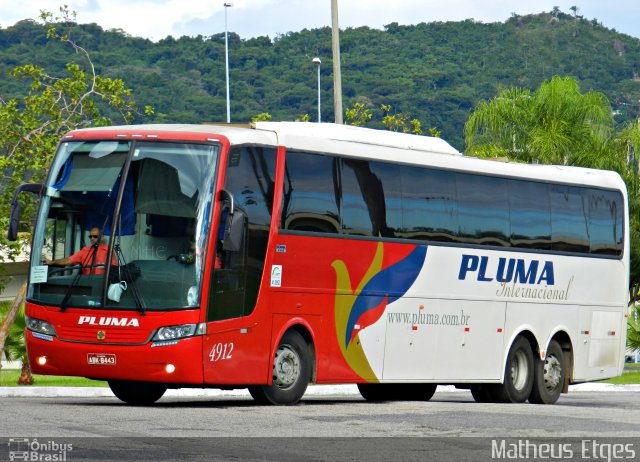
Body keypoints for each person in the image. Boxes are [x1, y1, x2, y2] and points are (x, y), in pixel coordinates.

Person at [43, 227, 114, 275]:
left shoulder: (108, 250)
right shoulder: (85, 250)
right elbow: (68, 260)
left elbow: (114, 270)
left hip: (102, 286)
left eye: (95, 236)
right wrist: (52, 262)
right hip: (86, 284)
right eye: (90, 236)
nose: (92, 238)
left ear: (102, 237)